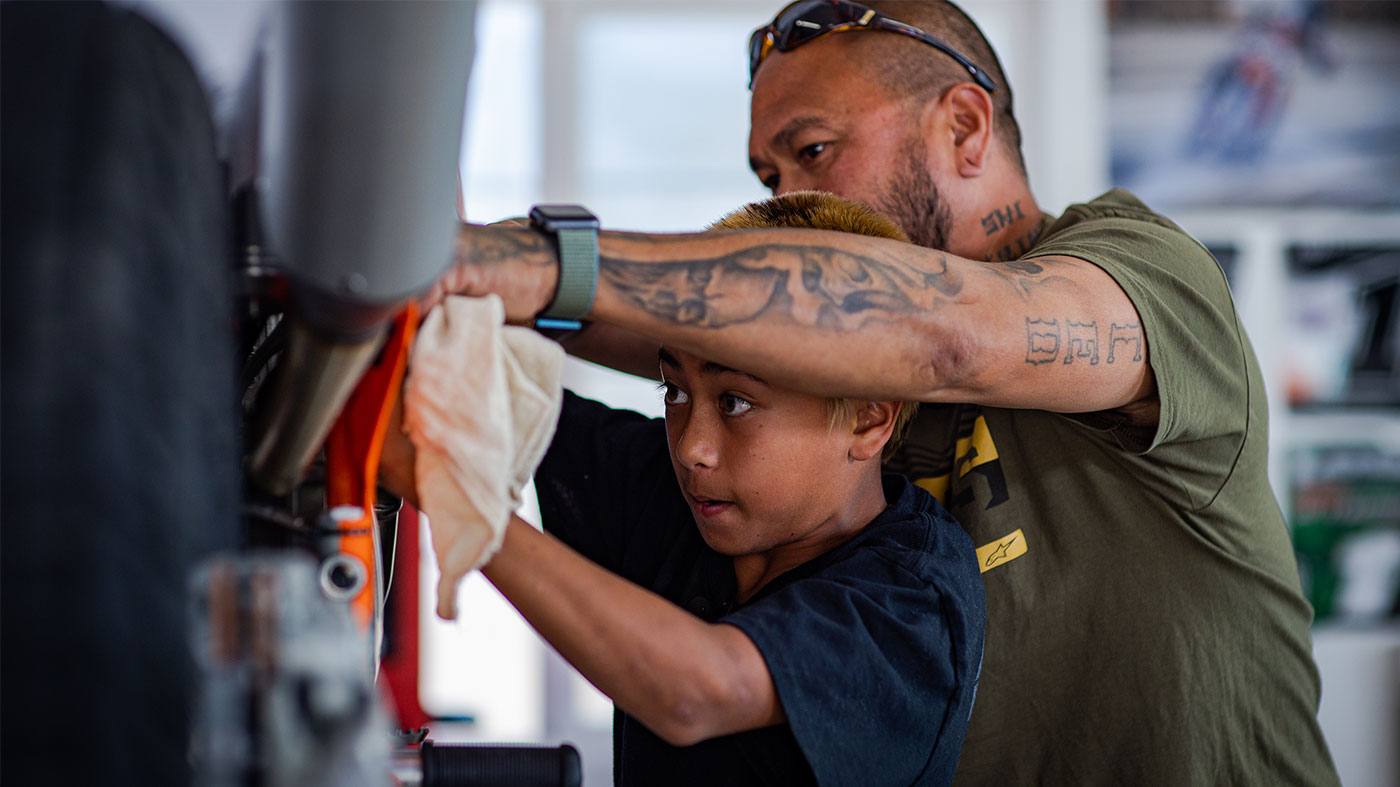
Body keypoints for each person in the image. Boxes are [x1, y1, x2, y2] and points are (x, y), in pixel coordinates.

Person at [437, 2, 1341, 783]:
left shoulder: (1145, 272)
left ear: (964, 127)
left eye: (813, 151)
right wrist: (449, 273)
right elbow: (693, 334)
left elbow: (946, 334)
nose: (790, 198)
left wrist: (536, 262)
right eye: (769, 178)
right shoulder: (835, 376)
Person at [389, 192, 987, 785]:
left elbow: (696, 691)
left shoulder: (913, 599)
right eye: (674, 392)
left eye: (735, 401)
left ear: (867, 419)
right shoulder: (669, 490)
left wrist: (446, 486)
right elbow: (470, 402)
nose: (690, 447)